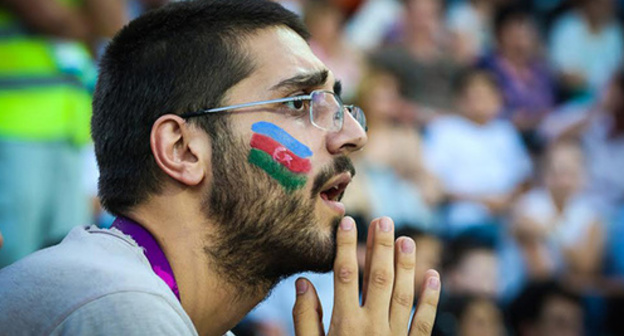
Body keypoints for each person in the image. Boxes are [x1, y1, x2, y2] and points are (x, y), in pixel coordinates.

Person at [0, 1, 441, 335]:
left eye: (340, 105)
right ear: (182, 149)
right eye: (298, 102)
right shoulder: (119, 307)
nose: (354, 135)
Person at [0, 0, 127, 268]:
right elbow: (50, 17)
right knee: (11, 256)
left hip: (71, 128)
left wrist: (89, 25)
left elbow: (116, 28)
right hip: (13, 127)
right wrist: (88, 27)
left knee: (67, 259)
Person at [424, 68, 532, 235]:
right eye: (475, 96)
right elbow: (434, 183)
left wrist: (507, 200)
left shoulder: (505, 131)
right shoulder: (444, 129)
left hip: (508, 214)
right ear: (460, 99)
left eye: (488, 95)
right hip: (462, 216)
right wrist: (483, 201)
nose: (483, 101)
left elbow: (523, 176)